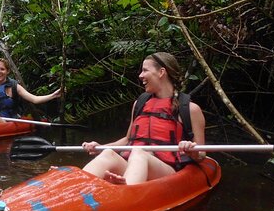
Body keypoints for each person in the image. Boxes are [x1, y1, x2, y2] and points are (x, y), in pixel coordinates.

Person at [81, 52, 206, 185]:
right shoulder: (140, 104)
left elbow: (201, 155)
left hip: (166, 170)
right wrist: (100, 147)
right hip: (135, 165)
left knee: (139, 153)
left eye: (145, 70)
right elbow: (128, 140)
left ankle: (126, 192)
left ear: (161, 72)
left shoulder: (190, 109)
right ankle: (74, 189)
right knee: (108, 154)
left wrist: (191, 150)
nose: (140, 75)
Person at [0, 58, 63, 125]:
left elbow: (34, 99)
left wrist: (53, 95)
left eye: (2, 69)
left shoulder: (14, 87)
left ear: (7, 71)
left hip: (7, 122)